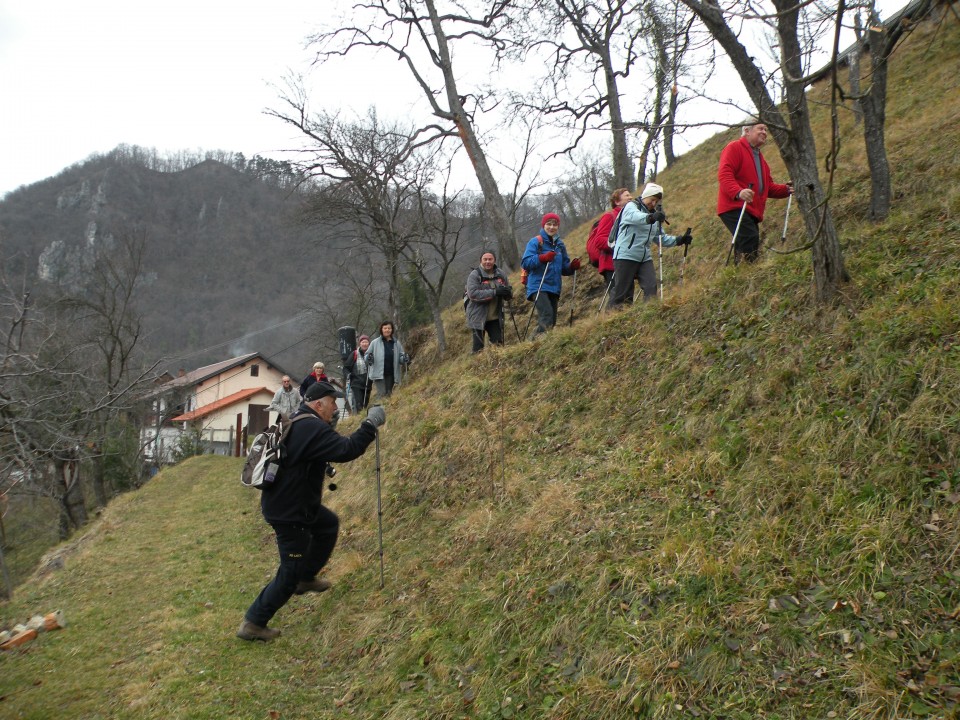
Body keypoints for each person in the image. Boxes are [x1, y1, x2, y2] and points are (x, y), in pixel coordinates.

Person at [237, 381, 386, 642]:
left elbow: (313, 451)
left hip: (294, 504)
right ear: (319, 404)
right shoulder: (312, 427)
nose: (335, 408)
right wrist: (369, 425)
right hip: (290, 512)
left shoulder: (299, 420)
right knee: (288, 573)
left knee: (327, 525)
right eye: (332, 403)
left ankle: (306, 577)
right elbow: (346, 449)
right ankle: (254, 622)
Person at [717, 122, 793, 264]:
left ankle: (738, 274)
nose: (764, 132)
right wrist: (738, 192)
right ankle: (749, 271)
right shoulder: (734, 148)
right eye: (760, 129)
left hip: (750, 209)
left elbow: (767, 187)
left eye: (766, 129)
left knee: (746, 240)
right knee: (749, 237)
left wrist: (786, 189)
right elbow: (724, 174)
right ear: (747, 131)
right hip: (734, 206)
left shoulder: (761, 159)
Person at [610, 182, 692, 306]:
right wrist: (651, 218)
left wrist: (679, 240)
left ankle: (649, 312)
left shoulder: (654, 215)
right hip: (625, 255)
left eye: (656, 201)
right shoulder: (632, 206)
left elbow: (660, 238)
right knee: (623, 293)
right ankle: (614, 318)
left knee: (651, 287)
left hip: (644, 257)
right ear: (645, 196)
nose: (653, 203)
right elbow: (635, 217)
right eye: (652, 199)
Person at [520, 213, 581, 338]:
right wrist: (542, 258)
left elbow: (564, 268)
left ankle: (534, 342)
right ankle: (537, 344)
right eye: (549, 224)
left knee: (551, 321)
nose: (551, 227)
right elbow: (525, 262)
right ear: (543, 225)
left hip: (554, 287)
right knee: (546, 315)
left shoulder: (560, 245)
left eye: (555, 224)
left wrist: (572, 267)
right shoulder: (536, 242)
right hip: (538, 285)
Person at [465, 250, 513, 353]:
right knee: (478, 348)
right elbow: (473, 294)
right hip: (477, 317)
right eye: (485, 259)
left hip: (495, 317)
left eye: (490, 259)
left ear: (494, 260)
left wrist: (507, 293)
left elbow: (507, 294)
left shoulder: (501, 274)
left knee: (498, 345)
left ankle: (497, 367)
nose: (488, 262)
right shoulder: (474, 275)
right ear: (480, 261)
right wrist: (495, 292)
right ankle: (476, 367)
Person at [591, 188, 632, 291]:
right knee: (617, 299)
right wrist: (619, 245)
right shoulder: (609, 216)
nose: (631, 197)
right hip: (611, 264)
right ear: (617, 201)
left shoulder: (630, 217)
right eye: (626, 196)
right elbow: (599, 241)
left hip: (627, 263)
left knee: (627, 298)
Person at [364, 321, 409, 400]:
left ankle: (386, 410)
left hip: (391, 373)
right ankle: (379, 409)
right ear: (381, 329)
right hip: (378, 373)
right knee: (382, 393)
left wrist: (404, 358)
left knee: (389, 393)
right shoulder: (375, 342)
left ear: (392, 330)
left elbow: (401, 356)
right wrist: (368, 357)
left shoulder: (396, 343)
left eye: (389, 328)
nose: (387, 330)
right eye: (385, 328)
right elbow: (367, 355)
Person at [344, 334, 372, 411]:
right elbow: (346, 367)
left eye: (366, 342)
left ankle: (362, 417)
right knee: (359, 403)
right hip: (356, 383)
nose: (365, 344)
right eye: (363, 342)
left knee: (365, 404)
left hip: (368, 383)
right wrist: (348, 375)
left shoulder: (371, 354)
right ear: (360, 343)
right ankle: (359, 417)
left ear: (369, 343)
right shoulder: (355, 354)